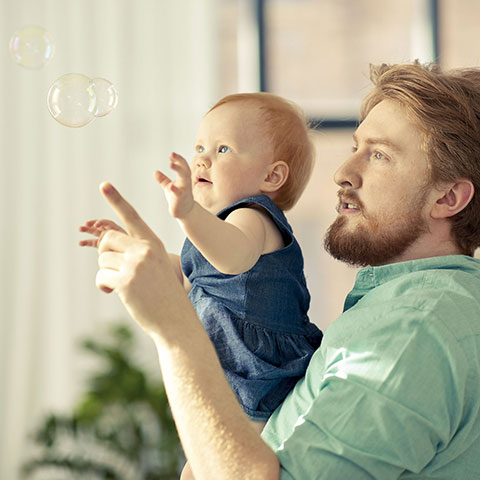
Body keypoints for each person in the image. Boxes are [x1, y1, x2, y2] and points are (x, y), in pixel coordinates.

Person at [86, 61, 480, 479]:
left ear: (448, 198)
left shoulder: (413, 329)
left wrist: (172, 329)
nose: (343, 173)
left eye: (379, 155)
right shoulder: (425, 311)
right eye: (355, 149)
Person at [79, 93, 323, 477]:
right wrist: (136, 251)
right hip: (230, 372)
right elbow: (189, 276)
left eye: (223, 148)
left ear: (271, 177)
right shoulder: (214, 232)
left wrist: (189, 213)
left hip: (261, 372)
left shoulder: (253, 218)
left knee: (226, 467)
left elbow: (234, 258)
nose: (202, 159)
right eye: (199, 147)